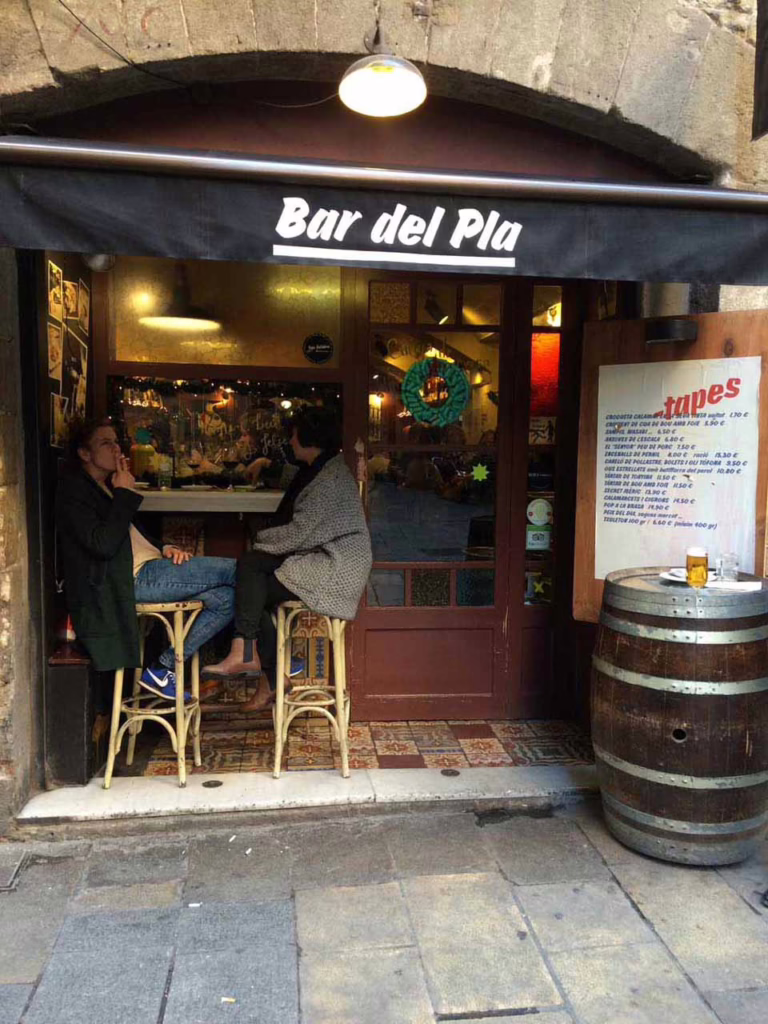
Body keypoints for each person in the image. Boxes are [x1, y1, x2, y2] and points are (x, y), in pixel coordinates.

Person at [202, 407, 372, 710]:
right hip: (317, 555)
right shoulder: (320, 467)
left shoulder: (329, 479)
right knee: (251, 583)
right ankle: (265, 670)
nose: (290, 442)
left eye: (293, 436)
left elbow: (298, 534)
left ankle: (250, 655)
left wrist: (260, 540)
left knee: (250, 574)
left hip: (334, 567)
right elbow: (293, 479)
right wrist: (265, 463)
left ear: (309, 438)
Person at [56, 418, 237, 700]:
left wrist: (164, 546)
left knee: (228, 597)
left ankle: (162, 669)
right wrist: (125, 494)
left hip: (151, 567)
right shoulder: (74, 491)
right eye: (106, 443)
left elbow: (129, 536)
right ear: (84, 453)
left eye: (116, 441)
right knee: (241, 570)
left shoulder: (105, 486)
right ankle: (266, 662)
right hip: (133, 580)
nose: (116, 448)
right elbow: (102, 544)